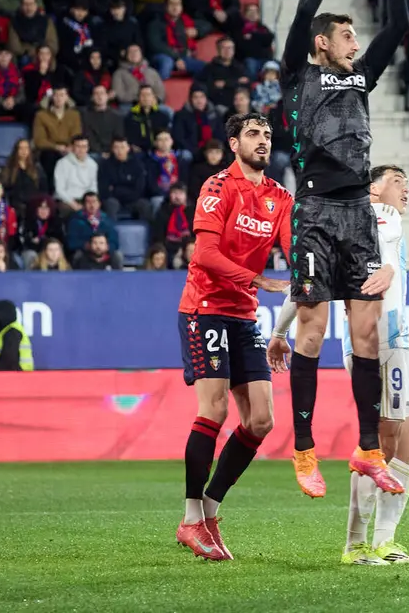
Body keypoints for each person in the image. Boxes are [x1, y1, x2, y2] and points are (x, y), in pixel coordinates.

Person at [279, 0, 409, 498]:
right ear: (322, 44)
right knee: (310, 329)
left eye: (358, 35)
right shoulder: (296, 76)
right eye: (348, 35)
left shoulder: (361, 77)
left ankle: (366, 448)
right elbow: (305, 11)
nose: (357, 42)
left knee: (367, 335)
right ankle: (304, 451)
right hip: (313, 213)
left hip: (358, 212)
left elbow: (401, 27)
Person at [272, 166, 409, 566]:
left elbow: (309, 281)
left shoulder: (383, 221)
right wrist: (282, 330)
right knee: (382, 444)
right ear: (373, 187)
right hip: (380, 341)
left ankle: (385, 542)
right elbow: (317, 281)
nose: (406, 188)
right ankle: (357, 544)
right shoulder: (377, 216)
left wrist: (279, 329)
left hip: (396, 341)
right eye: (398, 181)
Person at [174, 113, 293, 561]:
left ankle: (209, 510)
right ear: (233, 143)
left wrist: (309, 277)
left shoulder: (279, 196)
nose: (263, 141)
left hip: (243, 316)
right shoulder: (217, 188)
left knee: (261, 420)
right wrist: (257, 280)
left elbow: (292, 248)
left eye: (266, 135)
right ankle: (190, 519)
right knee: (215, 408)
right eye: (253, 134)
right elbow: (203, 253)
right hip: (204, 307)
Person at [0, 300, 33, 371]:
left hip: (17, 378)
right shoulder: (8, 331)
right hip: (19, 377)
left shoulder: (12, 332)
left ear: (3, 315)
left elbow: (9, 358)